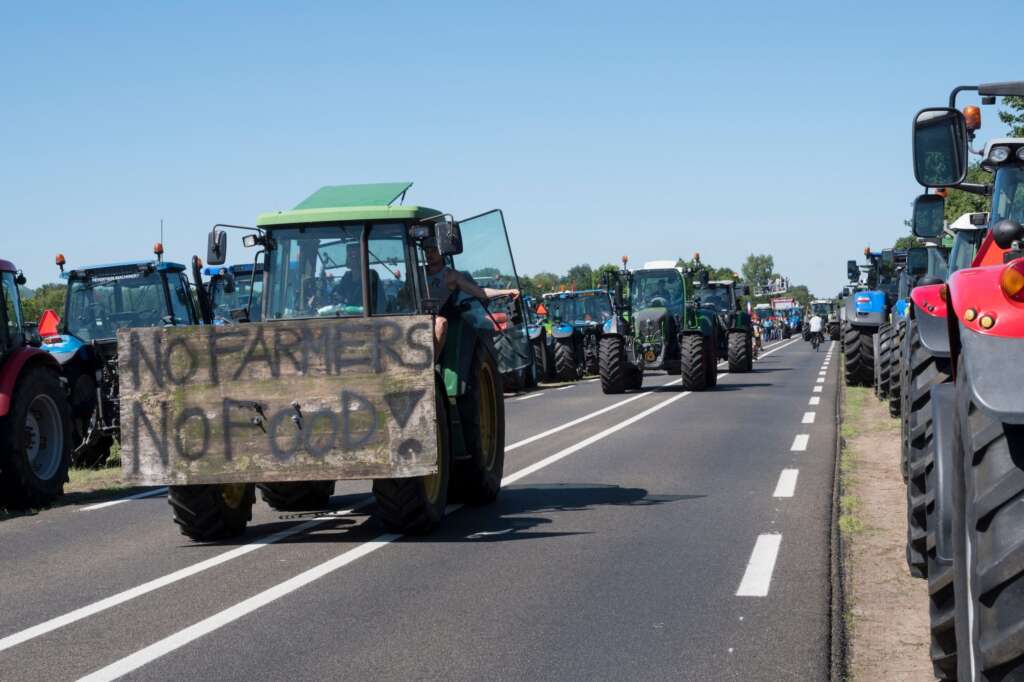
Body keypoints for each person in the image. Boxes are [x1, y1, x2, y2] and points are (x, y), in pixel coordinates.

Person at [424, 241, 519, 361]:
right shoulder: (416, 272)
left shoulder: (450, 276)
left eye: (433, 251)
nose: (429, 254)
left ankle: (431, 365)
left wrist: (506, 291)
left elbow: (480, 292)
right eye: (426, 251)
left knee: (440, 323)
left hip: (433, 317)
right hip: (412, 314)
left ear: (442, 252)